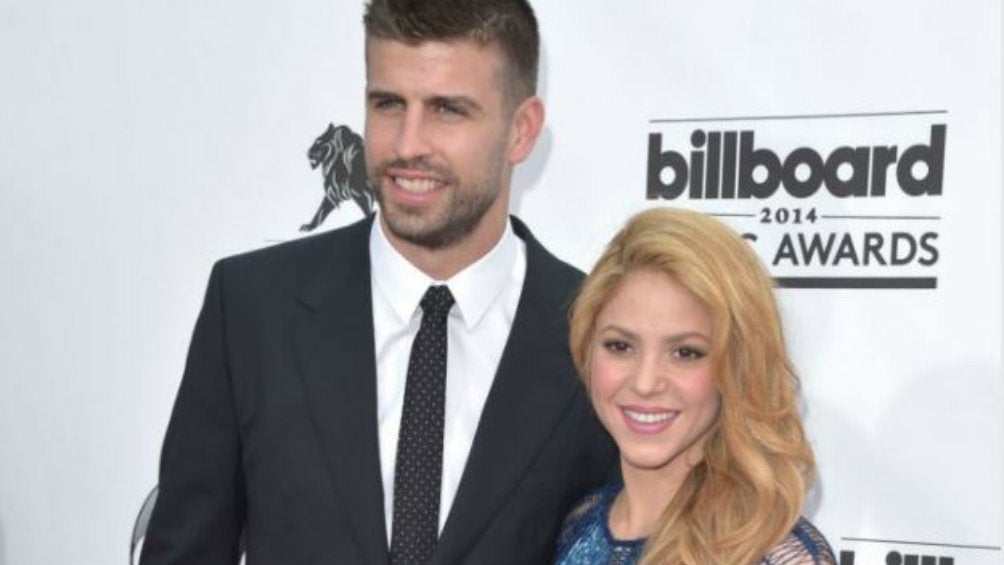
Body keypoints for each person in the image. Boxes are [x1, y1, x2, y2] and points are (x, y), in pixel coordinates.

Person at [139, 1, 616, 564]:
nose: (407, 143)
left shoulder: (597, 333)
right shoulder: (251, 307)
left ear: (521, 130)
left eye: (447, 110)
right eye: (388, 103)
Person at [554, 208, 837, 565]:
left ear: (736, 366)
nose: (645, 383)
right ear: (586, 349)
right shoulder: (578, 523)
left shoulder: (772, 554)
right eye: (620, 346)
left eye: (685, 352)